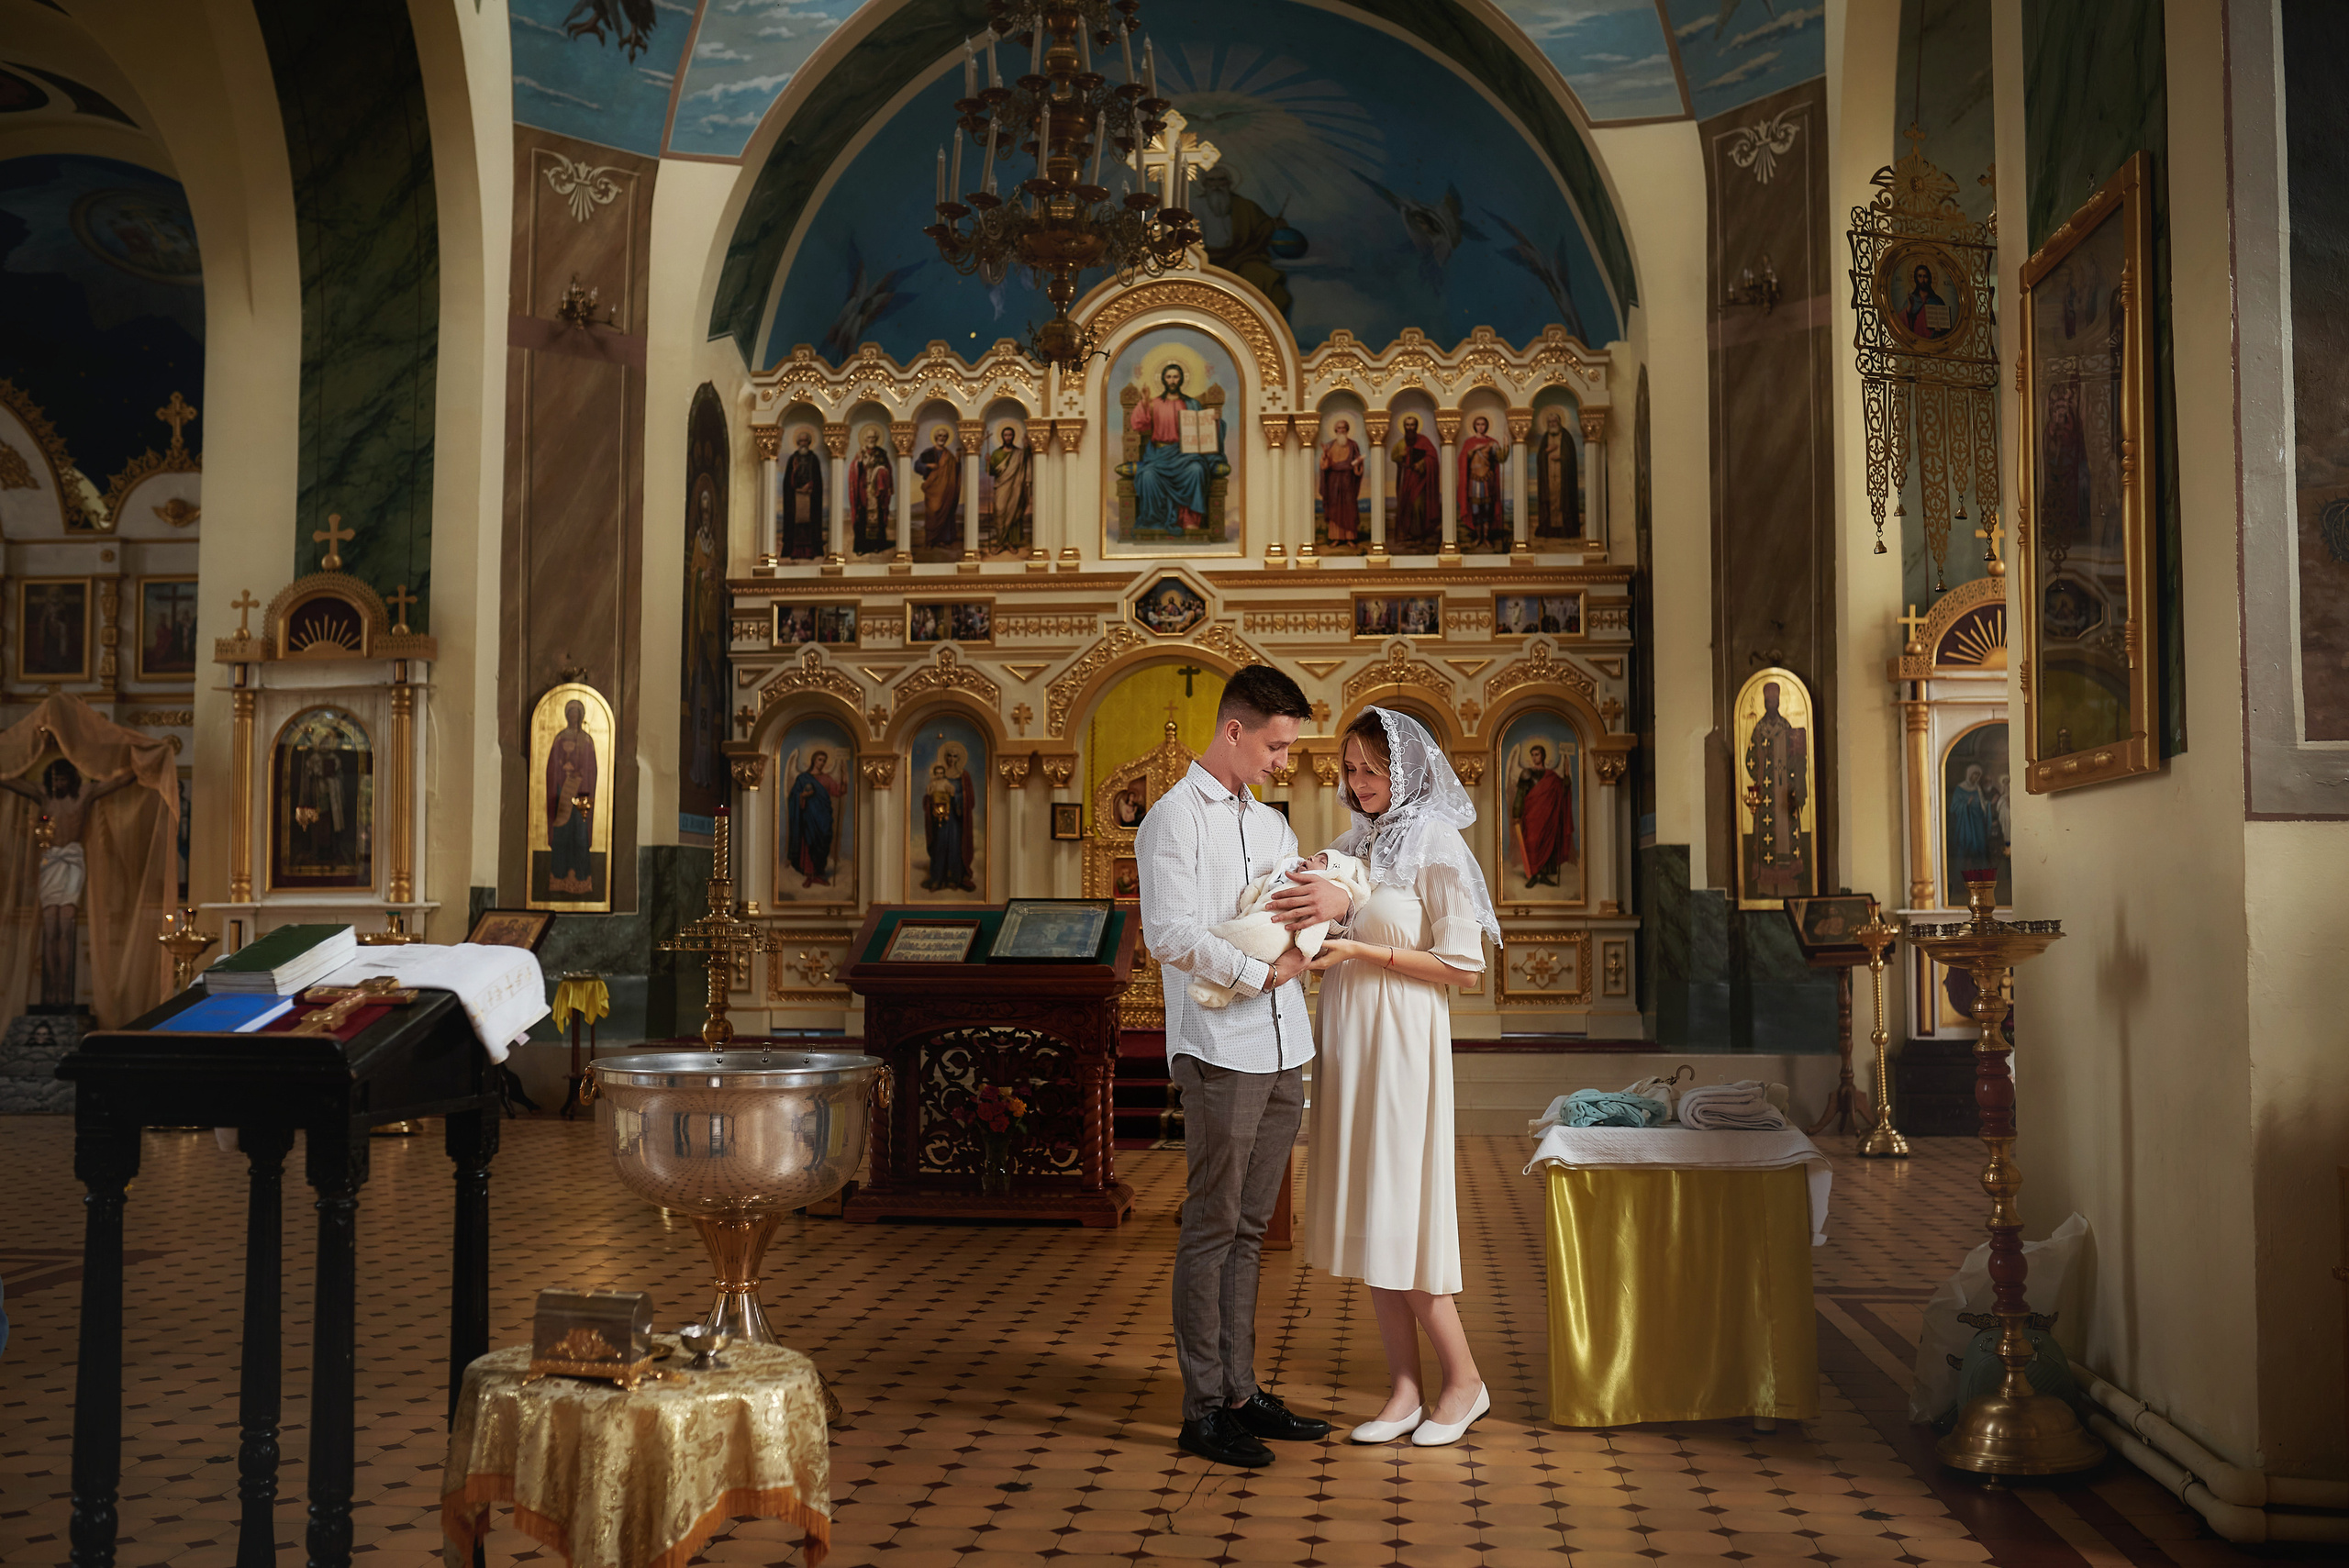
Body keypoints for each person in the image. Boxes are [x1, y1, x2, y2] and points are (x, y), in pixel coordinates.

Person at [1137, 665, 1352, 1468]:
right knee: (1213, 1221)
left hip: (1284, 1042)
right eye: (1276, 744)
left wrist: (1317, 926)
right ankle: (1202, 1410)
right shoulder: (1171, 822)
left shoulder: (1273, 827)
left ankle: (1238, 1389)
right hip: (1220, 1047)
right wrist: (1263, 970)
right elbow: (1169, 933)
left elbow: (1299, 912)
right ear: (1234, 731)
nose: (1282, 761)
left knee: (1253, 1227)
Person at [1304, 706, 1502, 1447]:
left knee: (1400, 1211)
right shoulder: (1355, 840)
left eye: (1371, 771)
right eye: (1349, 771)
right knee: (1370, 1216)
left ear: (1407, 770)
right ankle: (1405, 1389)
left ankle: (1465, 1380)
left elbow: (1463, 965)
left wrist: (1360, 953)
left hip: (1400, 1040)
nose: (1358, 784)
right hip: (1351, 1038)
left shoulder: (1436, 842)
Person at [2, 758, 136, 1007]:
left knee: (66, 927)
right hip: (50, 860)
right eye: (54, 780)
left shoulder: (84, 794)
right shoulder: (43, 794)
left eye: (62, 780)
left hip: (72, 860)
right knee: (50, 929)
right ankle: (51, 990)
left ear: (71, 779)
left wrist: (139, 759)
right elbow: (10, 781)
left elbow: (120, 781)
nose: (58, 784)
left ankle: (64, 991)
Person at [1128, 361, 1221, 536]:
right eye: (1169, 377)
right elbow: (1138, 425)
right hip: (1159, 455)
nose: (1172, 380)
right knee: (1147, 475)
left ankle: (1190, 521)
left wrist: (1213, 421)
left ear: (1181, 380)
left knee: (1197, 470)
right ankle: (1155, 520)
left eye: (1175, 377)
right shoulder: (1154, 403)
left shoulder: (1192, 404)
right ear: (1163, 379)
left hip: (1184, 455)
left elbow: (1205, 432)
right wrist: (1144, 402)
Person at [545, 699, 598, 897]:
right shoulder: (559, 739)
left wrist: (578, 773)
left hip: (581, 796)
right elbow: (551, 768)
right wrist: (562, 772)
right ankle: (559, 877)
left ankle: (581, 879)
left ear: (582, 716)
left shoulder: (586, 740)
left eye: (577, 713)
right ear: (567, 715)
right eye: (571, 713)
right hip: (562, 796)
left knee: (580, 835)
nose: (574, 716)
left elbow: (592, 769)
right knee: (562, 835)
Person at [785, 747, 846, 887]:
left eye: (824, 761)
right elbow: (793, 797)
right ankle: (809, 875)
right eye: (820, 760)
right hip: (808, 818)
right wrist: (803, 796)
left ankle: (818, 874)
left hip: (823, 818)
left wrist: (844, 779)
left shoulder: (826, 778)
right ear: (813, 760)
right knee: (808, 844)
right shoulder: (802, 778)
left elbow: (838, 791)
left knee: (822, 843)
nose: (822, 763)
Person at [1391, 416, 1441, 552]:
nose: (1410, 427)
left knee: (1417, 505)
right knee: (1406, 505)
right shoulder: (1401, 443)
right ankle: (1406, 533)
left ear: (1416, 426)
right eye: (1407, 425)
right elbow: (1393, 456)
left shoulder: (1424, 441)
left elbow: (1433, 457)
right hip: (1407, 478)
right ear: (1404, 427)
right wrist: (1400, 456)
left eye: (1412, 425)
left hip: (1420, 479)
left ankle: (1419, 535)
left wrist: (1422, 463)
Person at [1531, 406, 1580, 540]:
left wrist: (1562, 457)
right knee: (1550, 501)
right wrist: (1547, 451)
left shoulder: (1566, 436)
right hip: (1548, 478)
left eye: (1554, 421)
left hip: (1563, 478)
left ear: (1559, 422)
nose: (1552, 424)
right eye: (1550, 422)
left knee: (1562, 501)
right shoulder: (1545, 438)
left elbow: (1570, 456)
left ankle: (1564, 529)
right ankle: (1550, 529)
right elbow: (1540, 457)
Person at [1458, 414, 1503, 550]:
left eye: (1483, 424)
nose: (1480, 427)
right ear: (1474, 426)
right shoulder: (1469, 442)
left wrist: (1499, 448)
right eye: (1478, 424)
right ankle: (1479, 537)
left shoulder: (1492, 442)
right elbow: (1463, 458)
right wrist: (1475, 448)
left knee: (1488, 510)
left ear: (1486, 426)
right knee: (1476, 511)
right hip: (1474, 480)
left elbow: (1498, 459)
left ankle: (1487, 538)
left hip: (1488, 480)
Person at [986, 423, 1031, 553]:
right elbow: (992, 472)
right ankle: (1000, 543)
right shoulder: (996, 453)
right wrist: (989, 462)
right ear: (1002, 437)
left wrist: (1027, 445)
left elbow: (1026, 457)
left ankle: (1009, 543)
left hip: (1015, 487)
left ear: (1013, 436)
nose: (1008, 437)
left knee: (1013, 512)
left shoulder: (1019, 453)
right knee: (1000, 511)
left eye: (1010, 435)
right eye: (1005, 435)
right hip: (1001, 486)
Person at [781, 428, 826, 560]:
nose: (803, 443)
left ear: (809, 442)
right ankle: (794, 552)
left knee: (809, 524)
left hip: (810, 498)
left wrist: (810, 485)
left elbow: (817, 479)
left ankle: (811, 551)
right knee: (796, 525)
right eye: (801, 441)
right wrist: (794, 474)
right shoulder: (792, 459)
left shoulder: (814, 459)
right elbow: (788, 480)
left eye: (805, 441)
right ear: (797, 442)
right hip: (795, 498)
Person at [850, 426, 895, 553]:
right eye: (869, 437)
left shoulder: (881, 453)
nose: (871, 439)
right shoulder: (860, 453)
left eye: (874, 437)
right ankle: (861, 547)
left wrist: (881, 478)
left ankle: (877, 545)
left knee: (878, 517)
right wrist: (858, 464)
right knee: (862, 517)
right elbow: (853, 471)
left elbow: (887, 470)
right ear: (865, 439)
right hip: (863, 490)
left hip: (876, 491)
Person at [916, 424, 962, 550]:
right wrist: (928, 466)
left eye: (945, 436)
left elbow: (954, 472)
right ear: (936, 437)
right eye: (940, 435)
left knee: (946, 513)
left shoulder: (950, 456)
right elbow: (917, 466)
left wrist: (957, 462)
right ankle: (930, 540)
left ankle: (942, 540)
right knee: (933, 513)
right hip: (933, 490)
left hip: (946, 490)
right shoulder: (928, 452)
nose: (942, 438)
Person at [1319, 419, 1364, 546]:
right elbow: (1324, 466)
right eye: (1339, 428)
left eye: (1343, 428)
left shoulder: (1353, 445)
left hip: (1348, 480)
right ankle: (1336, 537)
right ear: (1335, 430)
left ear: (1347, 429)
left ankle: (1350, 537)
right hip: (1333, 481)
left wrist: (1357, 464)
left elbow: (1358, 465)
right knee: (1335, 508)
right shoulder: (1329, 445)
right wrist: (1325, 455)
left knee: (1349, 507)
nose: (1341, 430)